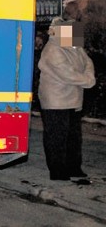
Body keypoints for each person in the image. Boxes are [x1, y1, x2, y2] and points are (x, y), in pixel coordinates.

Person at [37, 16, 95, 180]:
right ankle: (58, 171)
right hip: (56, 100)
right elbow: (65, 73)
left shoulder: (75, 46)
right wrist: (88, 80)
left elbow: (87, 62)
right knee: (57, 137)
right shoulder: (52, 50)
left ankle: (74, 168)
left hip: (73, 98)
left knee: (73, 137)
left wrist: (88, 77)